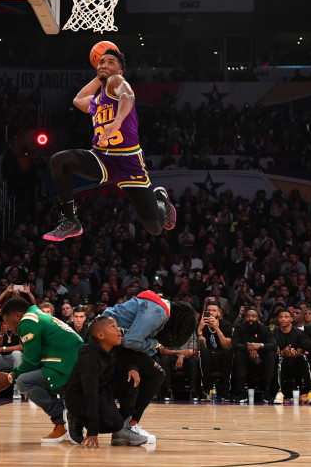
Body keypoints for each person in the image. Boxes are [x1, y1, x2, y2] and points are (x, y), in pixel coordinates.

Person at [43, 47, 176, 242]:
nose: (104, 64)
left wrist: (117, 121)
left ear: (120, 72)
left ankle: (160, 198)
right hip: (101, 158)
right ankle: (70, 220)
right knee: (59, 160)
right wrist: (100, 76)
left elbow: (128, 96)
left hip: (128, 162)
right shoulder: (97, 100)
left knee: (155, 228)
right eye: (101, 62)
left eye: (110, 62)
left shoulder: (118, 82)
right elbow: (78, 99)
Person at [101, 290, 196, 443]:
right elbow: (131, 341)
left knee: (141, 373)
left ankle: (124, 427)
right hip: (106, 340)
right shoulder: (158, 312)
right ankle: (130, 424)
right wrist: (155, 344)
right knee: (155, 374)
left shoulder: (158, 306)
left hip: (115, 342)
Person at [0, 297, 83, 442]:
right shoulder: (38, 316)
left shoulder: (28, 321)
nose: (7, 326)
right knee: (28, 378)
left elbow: (31, 362)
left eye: (7, 321)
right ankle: (65, 422)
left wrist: (10, 378)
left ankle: (61, 416)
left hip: (67, 369)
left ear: (18, 315)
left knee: (24, 381)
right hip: (74, 367)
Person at [66, 316, 146, 448]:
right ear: (100, 335)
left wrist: (133, 368)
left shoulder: (112, 349)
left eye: (117, 325)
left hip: (101, 391)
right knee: (113, 423)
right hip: (80, 399)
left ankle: (123, 427)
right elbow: (89, 393)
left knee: (131, 379)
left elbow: (127, 360)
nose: (119, 330)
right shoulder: (89, 358)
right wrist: (93, 430)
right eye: (113, 327)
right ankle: (76, 418)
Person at [231, 308, 276, 403]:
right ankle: (241, 393)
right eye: (248, 316)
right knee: (239, 354)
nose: (250, 318)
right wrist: (250, 347)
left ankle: (267, 393)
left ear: (258, 318)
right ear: (244, 317)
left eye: (253, 316)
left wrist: (259, 346)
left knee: (270, 354)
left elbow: (273, 345)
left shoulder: (265, 329)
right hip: (245, 360)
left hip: (261, 361)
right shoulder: (239, 328)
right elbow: (235, 345)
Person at [196, 300, 233, 400]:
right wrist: (199, 330)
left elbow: (226, 345)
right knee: (202, 352)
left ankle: (226, 391)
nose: (211, 313)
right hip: (207, 356)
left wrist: (217, 329)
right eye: (209, 310)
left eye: (214, 310)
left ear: (219, 313)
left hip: (222, 356)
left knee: (228, 351)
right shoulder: (201, 326)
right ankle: (206, 390)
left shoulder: (226, 325)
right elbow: (201, 346)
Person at [272, 309, 310, 404]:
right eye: (281, 317)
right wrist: (284, 352)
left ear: (291, 319)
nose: (283, 319)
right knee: (280, 359)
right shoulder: (273, 333)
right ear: (278, 319)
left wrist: (295, 353)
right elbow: (276, 351)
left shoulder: (300, 332)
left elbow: (301, 349)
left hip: (296, 361)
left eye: (286, 317)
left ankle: (309, 392)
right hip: (281, 361)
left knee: (305, 358)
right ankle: (279, 392)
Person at [0, 317, 23, 400]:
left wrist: (3, 348)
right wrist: (1, 333)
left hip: (15, 360)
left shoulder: (20, 326)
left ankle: (16, 389)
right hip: (1, 359)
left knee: (17, 353)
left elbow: (22, 346)